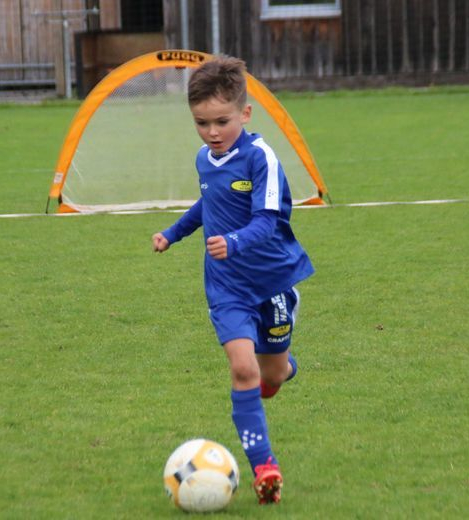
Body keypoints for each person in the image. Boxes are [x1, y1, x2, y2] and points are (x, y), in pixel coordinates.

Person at [152, 56, 314, 505]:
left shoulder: (261, 158)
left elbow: (269, 220)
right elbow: (208, 204)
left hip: (271, 281)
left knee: (272, 374)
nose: (212, 132)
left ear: (245, 113)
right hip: (226, 287)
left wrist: (234, 241)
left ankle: (282, 369)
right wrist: (173, 233)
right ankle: (265, 469)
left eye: (221, 121)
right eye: (201, 123)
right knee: (243, 369)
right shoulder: (204, 159)